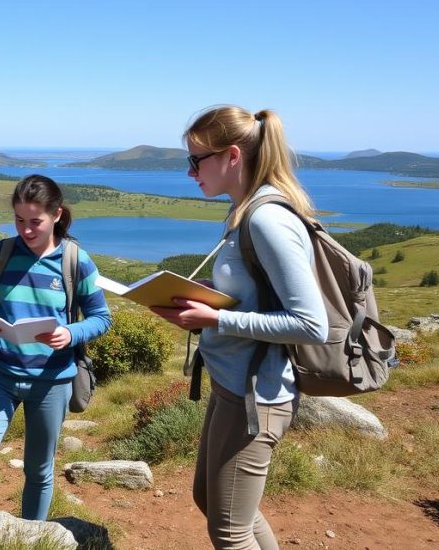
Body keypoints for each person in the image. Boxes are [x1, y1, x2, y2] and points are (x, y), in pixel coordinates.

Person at [150, 105, 329, 550]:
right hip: (232, 386)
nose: (190, 172)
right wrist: (212, 293)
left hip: (257, 396)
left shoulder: (267, 219)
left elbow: (311, 324)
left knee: (229, 531)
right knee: (212, 501)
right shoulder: (243, 212)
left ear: (232, 156)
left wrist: (216, 317)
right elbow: (259, 294)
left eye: (196, 160)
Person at [0, 174, 112, 520]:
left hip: (52, 381)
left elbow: (101, 317)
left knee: (39, 472)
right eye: (19, 220)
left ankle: (31, 538)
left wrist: (70, 334)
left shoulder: (76, 260)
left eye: (35, 221)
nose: (26, 230)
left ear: (56, 215)